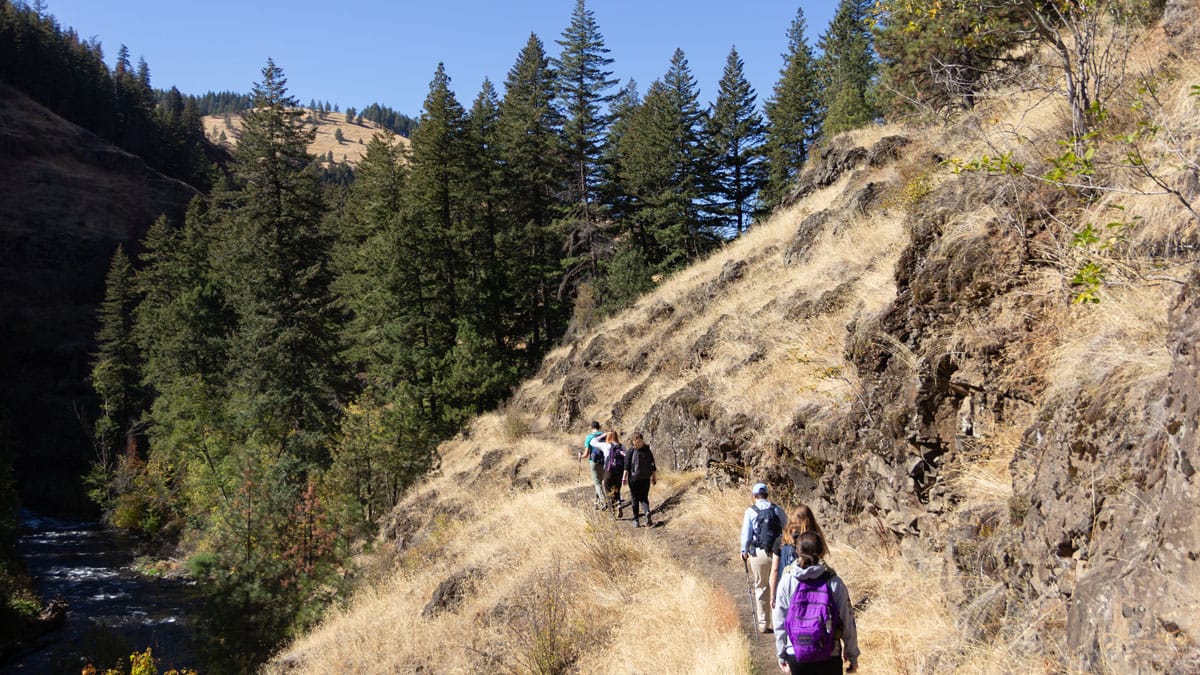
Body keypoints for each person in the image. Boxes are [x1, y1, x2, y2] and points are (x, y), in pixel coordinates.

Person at [772, 531, 859, 674]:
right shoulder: (834, 582)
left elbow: (779, 621)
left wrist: (781, 654)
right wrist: (852, 655)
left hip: (797, 653)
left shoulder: (787, 581)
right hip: (829, 654)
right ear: (822, 551)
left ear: (797, 551)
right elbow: (847, 621)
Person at [740, 483, 787, 633]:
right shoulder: (777, 510)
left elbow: (746, 534)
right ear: (767, 494)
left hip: (758, 554)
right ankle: (779, 621)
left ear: (754, 496)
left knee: (761, 586)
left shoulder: (750, 511)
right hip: (777, 553)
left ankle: (763, 623)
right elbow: (787, 528)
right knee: (779, 586)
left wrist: (744, 550)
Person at [770, 504, 827, 609]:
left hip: (786, 587)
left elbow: (774, 570)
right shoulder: (815, 540)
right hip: (813, 589)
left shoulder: (781, 541)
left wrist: (773, 595)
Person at [624, 432, 657, 528]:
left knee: (635, 498)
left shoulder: (631, 451)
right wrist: (654, 477)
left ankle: (636, 520)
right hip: (646, 478)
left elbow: (626, 466)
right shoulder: (648, 450)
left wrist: (624, 478)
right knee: (644, 497)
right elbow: (652, 465)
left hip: (634, 479)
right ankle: (647, 512)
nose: (636, 444)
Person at [589, 431, 625, 516]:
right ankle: (619, 503)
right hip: (619, 472)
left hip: (608, 471)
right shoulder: (622, 446)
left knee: (609, 492)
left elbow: (592, 442)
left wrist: (603, 435)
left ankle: (612, 514)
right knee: (617, 490)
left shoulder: (606, 445)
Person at [577, 421, 607, 509]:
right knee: (599, 482)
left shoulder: (589, 437)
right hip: (604, 460)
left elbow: (586, 454)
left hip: (594, 461)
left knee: (597, 483)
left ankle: (603, 501)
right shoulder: (605, 435)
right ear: (599, 427)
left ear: (591, 427)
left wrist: (580, 456)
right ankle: (596, 503)